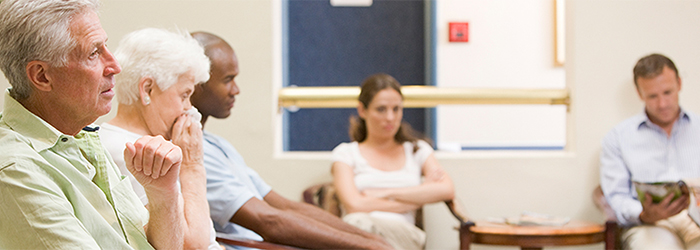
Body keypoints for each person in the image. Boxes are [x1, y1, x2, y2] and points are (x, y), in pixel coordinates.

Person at [0, 0, 188, 249]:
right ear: (42, 76)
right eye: (93, 53)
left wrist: (163, 194)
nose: (115, 66)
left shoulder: (80, 136)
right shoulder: (14, 168)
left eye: (106, 47)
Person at [189, 31, 392, 250]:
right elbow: (270, 222)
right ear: (196, 84)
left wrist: (371, 240)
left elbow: (285, 206)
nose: (236, 90)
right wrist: (366, 246)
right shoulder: (192, 153)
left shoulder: (217, 145)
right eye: (228, 80)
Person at [99, 28, 220, 249]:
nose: (188, 108)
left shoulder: (149, 141)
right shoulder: (129, 150)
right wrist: (193, 165)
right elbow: (193, 244)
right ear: (147, 89)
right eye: (184, 95)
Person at [330, 73, 455, 250]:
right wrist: (416, 198)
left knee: (359, 226)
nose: (390, 117)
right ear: (362, 110)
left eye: (396, 109)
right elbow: (354, 205)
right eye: (381, 109)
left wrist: (384, 192)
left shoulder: (416, 150)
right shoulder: (346, 153)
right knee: (357, 223)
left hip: (403, 235)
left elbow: (446, 189)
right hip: (358, 232)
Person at [600, 53, 700, 249]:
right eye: (653, 96)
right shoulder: (618, 138)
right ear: (639, 93)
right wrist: (643, 213)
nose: (662, 104)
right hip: (650, 226)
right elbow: (617, 197)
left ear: (679, 84)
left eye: (667, 92)